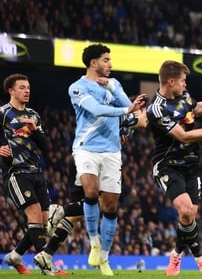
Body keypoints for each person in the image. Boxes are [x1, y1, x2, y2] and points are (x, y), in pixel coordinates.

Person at [34, 97, 149, 273]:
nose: (146, 117)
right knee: (102, 203)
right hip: (87, 161)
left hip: (88, 162)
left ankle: (47, 254)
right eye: (144, 112)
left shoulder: (128, 126)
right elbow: (139, 121)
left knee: (77, 215)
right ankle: (59, 210)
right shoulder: (121, 116)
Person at [147, 60, 202, 276]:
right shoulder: (156, 109)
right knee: (185, 211)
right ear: (171, 81)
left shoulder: (183, 96)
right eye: (183, 81)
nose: (185, 85)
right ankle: (200, 258)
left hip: (192, 165)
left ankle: (176, 255)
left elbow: (197, 109)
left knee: (189, 216)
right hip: (168, 166)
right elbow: (183, 136)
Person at [67, 44, 146, 276]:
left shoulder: (115, 84)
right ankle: (94, 243)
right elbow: (97, 109)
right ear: (93, 63)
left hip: (112, 151)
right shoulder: (77, 88)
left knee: (110, 206)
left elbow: (125, 104)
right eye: (106, 60)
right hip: (86, 148)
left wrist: (114, 88)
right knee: (90, 192)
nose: (110, 64)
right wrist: (126, 110)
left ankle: (104, 258)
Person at [0, 74, 66, 275]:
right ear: (11, 91)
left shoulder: (33, 115)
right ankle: (46, 266)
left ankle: (15, 256)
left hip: (36, 172)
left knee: (45, 223)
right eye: (21, 87)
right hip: (16, 172)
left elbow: (45, 147)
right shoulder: (3, 113)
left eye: (28, 87)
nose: (26, 90)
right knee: (34, 214)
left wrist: (34, 130)